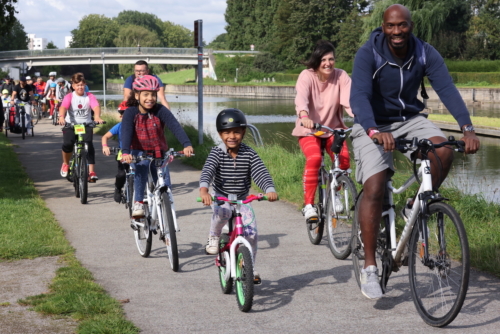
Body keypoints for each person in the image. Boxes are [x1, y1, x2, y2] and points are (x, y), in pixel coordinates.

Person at [349, 4, 480, 300]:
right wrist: (372, 130)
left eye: (402, 26)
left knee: (443, 151)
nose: (397, 32)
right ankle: (370, 267)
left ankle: (414, 205)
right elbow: (358, 95)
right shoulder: (368, 52)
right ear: (383, 27)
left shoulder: (424, 52)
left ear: (411, 25)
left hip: (410, 119)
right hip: (373, 123)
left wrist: (468, 128)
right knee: (375, 184)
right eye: (391, 26)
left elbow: (446, 88)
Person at [199, 108, 278, 281]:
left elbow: (260, 173)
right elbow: (207, 172)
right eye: (227, 132)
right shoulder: (216, 153)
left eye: (236, 132)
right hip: (221, 197)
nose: (232, 136)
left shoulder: (249, 154)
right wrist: (204, 190)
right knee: (223, 213)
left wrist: (269, 190)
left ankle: (250, 268)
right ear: (220, 134)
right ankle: (214, 236)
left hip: (243, 199)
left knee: (251, 233)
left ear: (243, 133)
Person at [292, 40, 353, 223]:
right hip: (309, 130)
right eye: (324, 59)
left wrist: (362, 118)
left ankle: (336, 193)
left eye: (331, 59)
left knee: (343, 161)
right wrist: (304, 116)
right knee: (315, 159)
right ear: (317, 60)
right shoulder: (307, 75)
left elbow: (350, 101)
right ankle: (309, 205)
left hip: (333, 129)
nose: (328, 63)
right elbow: (301, 98)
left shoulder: (341, 76)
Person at [120, 75, 193, 218]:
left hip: (158, 151)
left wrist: (186, 144)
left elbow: (175, 126)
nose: (150, 98)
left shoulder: (160, 110)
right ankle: (138, 202)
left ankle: (167, 205)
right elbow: (126, 132)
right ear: (137, 95)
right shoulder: (130, 112)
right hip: (138, 151)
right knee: (141, 167)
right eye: (146, 94)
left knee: (164, 181)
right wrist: (125, 152)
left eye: (153, 94)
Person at [58, 72, 104, 181]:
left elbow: (96, 107)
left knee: (89, 146)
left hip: (86, 125)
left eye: (82, 85)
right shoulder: (69, 96)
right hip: (71, 125)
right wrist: (61, 117)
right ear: (73, 86)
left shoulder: (89, 96)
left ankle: (91, 171)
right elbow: (63, 107)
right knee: (68, 144)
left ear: (85, 85)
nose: (80, 87)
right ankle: (65, 164)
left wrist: (97, 117)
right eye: (77, 85)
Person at [102, 101, 128, 203]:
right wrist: (105, 147)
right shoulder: (119, 126)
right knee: (121, 174)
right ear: (121, 116)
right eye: (123, 114)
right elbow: (105, 136)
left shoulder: (138, 126)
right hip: (122, 153)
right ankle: (118, 188)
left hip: (135, 152)